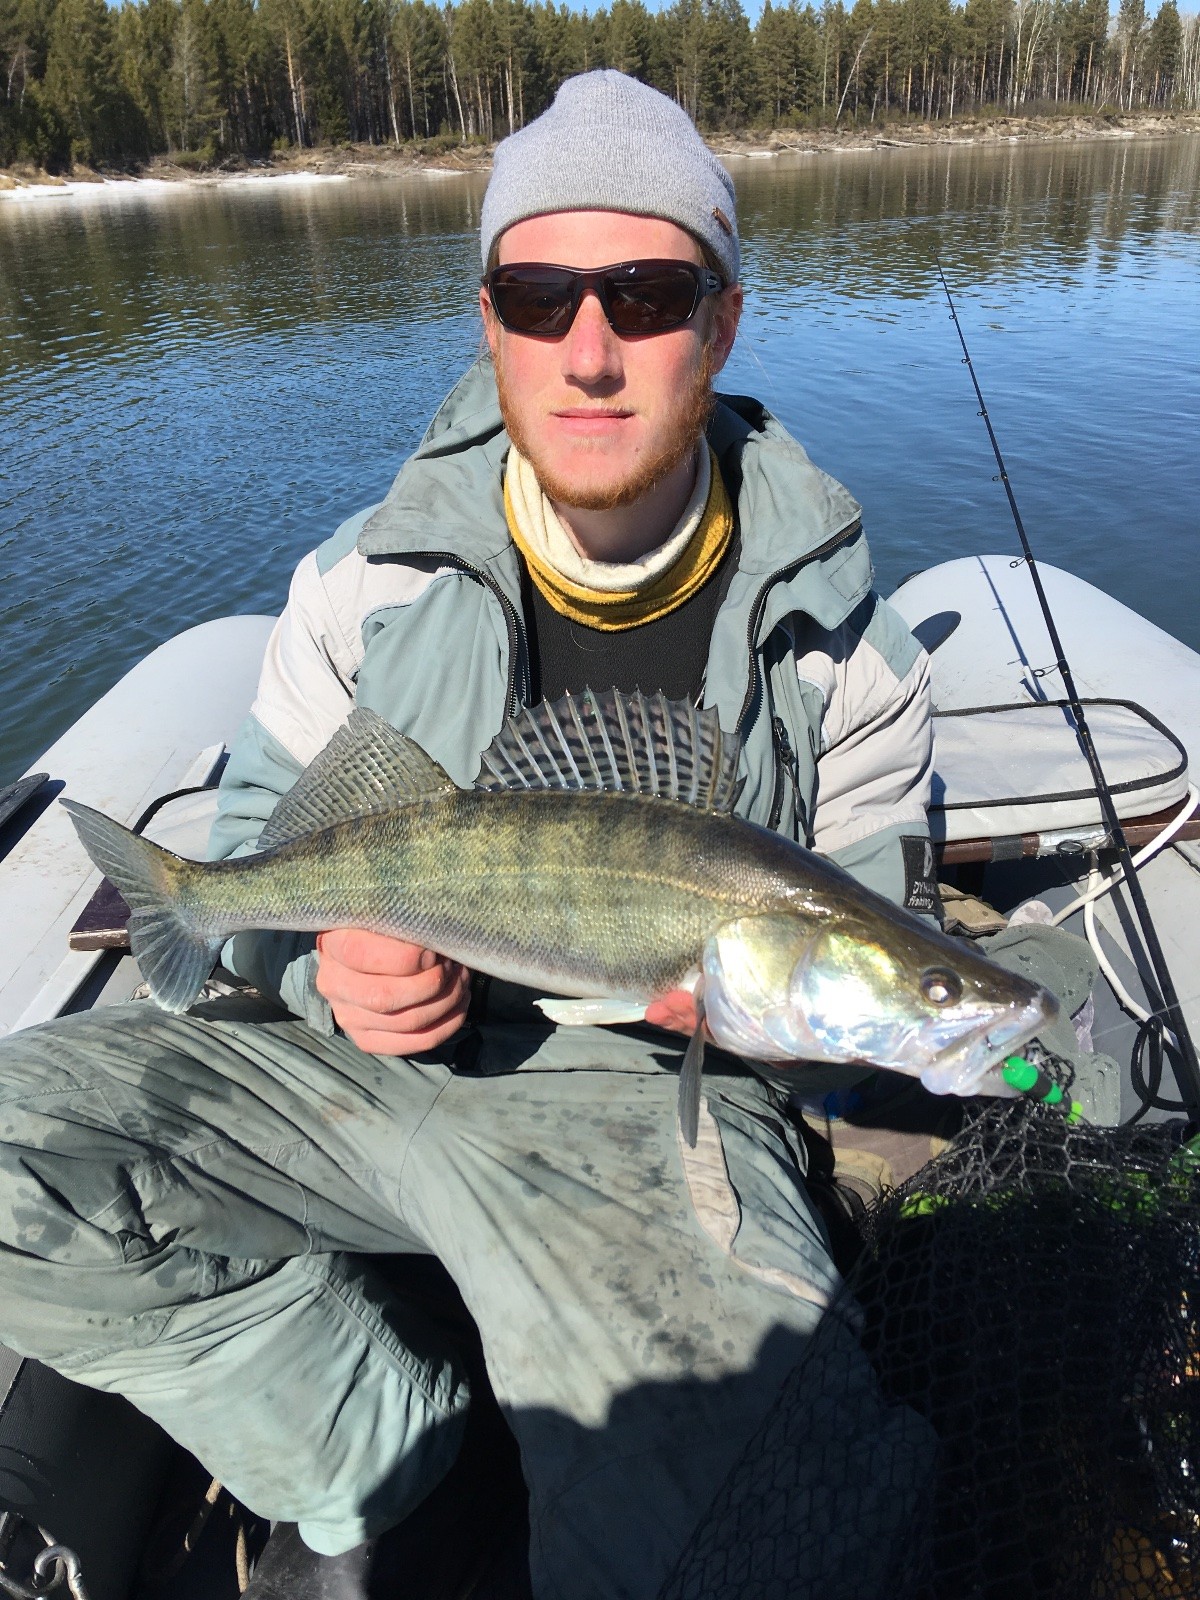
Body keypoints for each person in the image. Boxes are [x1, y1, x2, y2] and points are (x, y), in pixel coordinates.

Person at [0, 72, 941, 1599]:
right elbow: (247, 868)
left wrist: (785, 1042)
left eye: (644, 293)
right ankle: (374, 1443)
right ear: (487, 319)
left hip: (643, 1107)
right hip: (342, 1075)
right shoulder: (358, 589)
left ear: (722, 321)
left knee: (752, 1526)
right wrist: (323, 978)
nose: (588, 349)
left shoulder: (853, 658)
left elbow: (868, 970)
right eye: (537, 292)